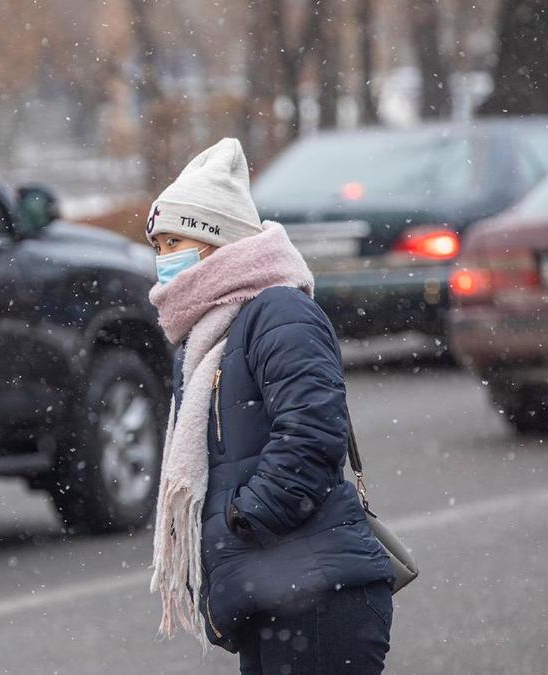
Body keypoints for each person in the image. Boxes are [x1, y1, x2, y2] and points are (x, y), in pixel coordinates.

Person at [146, 138, 396, 674]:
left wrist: (245, 517)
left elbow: (311, 432)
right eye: (159, 244)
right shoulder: (206, 337)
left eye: (176, 241)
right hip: (273, 594)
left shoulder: (277, 311)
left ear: (218, 241)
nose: (165, 260)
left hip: (319, 595)